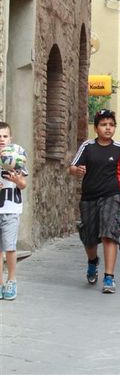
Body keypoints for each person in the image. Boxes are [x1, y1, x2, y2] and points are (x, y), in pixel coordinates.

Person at [68, 110, 120, 294]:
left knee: (109, 234)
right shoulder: (87, 147)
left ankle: (109, 277)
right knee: (89, 238)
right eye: (104, 125)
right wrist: (76, 171)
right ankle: (92, 262)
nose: (108, 128)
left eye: (111, 125)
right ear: (96, 128)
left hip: (113, 196)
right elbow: (72, 167)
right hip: (89, 198)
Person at [0, 122, 28, 301]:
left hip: (10, 209)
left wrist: (18, 181)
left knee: (9, 248)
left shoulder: (17, 157)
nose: (1, 140)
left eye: (4, 136)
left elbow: (23, 185)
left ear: (10, 138)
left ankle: (11, 280)